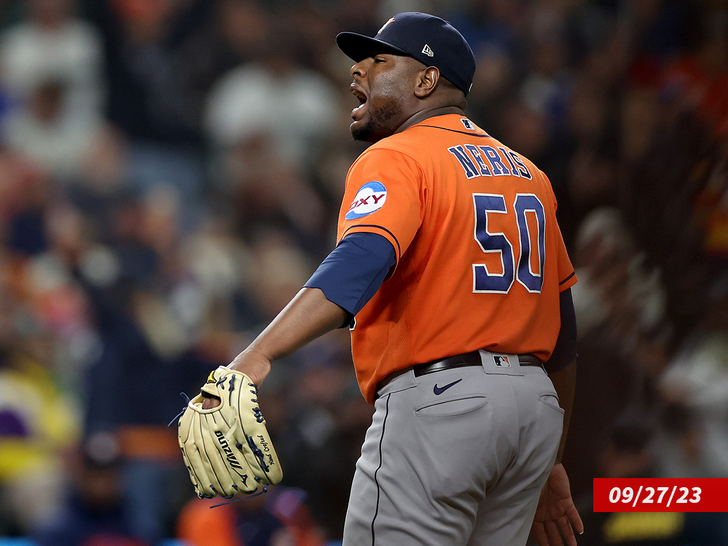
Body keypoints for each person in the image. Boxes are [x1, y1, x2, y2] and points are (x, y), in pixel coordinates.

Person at [200, 12, 583, 546]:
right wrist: (553, 460)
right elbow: (563, 336)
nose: (358, 71)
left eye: (380, 61)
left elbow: (361, 258)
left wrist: (258, 353)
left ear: (426, 80)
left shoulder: (399, 154)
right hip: (533, 414)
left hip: (442, 404)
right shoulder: (529, 175)